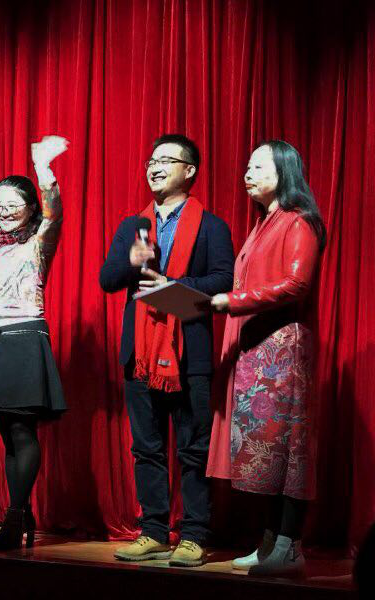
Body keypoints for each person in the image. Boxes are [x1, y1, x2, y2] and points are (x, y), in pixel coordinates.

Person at [99, 134, 234, 566]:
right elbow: (107, 279)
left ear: (189, 171)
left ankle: (193, 534)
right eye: (151, 161)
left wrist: (172, 287)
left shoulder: (212, 226)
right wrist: (132, 261)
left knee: (193, 449)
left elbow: (224, 280)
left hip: (190, 352)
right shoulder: (133, 226)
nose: (154, 168)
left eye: (165, 160)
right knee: (146, 448)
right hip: (140, 354)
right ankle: (154, 531)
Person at [207, 140, 326, 577]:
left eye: (258, 166)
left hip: (283, 350)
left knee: (289, 448)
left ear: (284, 171)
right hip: (259, 349)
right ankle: (269, 543)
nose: (247, 173)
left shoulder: (298, 221)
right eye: (247, 166)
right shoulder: (264, 223)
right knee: (268, 451)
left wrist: (233, 300)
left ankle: (291, 547)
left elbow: (297, 284)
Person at [0, 136, 69, 551]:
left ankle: (14, 519)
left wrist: (43, 167)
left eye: (13, 204)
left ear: (29, 208)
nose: (4, 211)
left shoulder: (39, 241)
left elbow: (54, 209)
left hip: (25, 338)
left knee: (23, 431)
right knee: (7, 434)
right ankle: (21, 513)